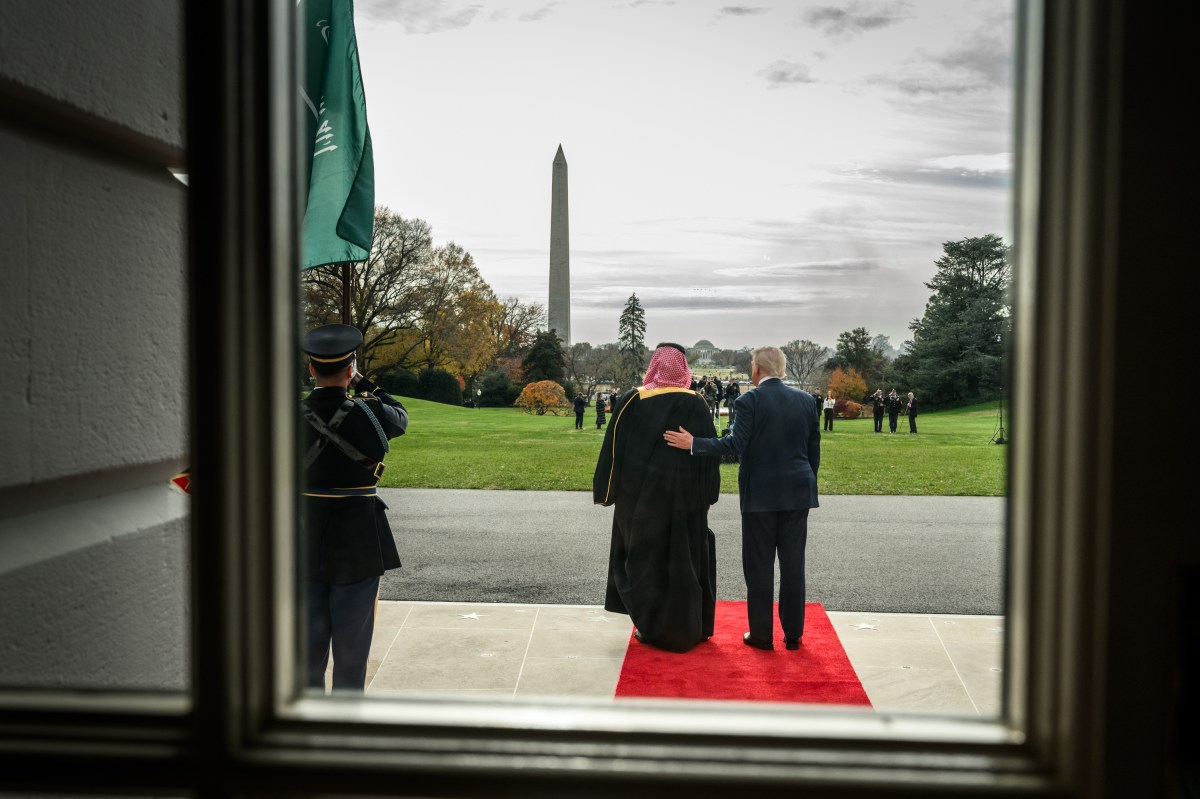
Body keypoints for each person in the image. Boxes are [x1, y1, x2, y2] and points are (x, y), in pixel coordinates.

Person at [664, 346, 820, 652]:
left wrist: (694, 443)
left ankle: (761, 634)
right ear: (782, 369)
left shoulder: (750, 400)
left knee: (760, 565)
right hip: (797, 490)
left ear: (757, 370)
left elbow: (734, 444)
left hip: (760, 492)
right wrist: (805, 481)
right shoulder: (805, 401)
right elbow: (812, 451)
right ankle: (793, 634)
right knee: (793, 566)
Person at [301, 323, 408, 691]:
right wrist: (365, 385)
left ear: (311, 369)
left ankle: (307, 713)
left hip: (302, 532)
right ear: (350, 369)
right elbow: (402, 416)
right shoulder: (375, 412)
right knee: (353, 642)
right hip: (359, 536)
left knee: (305, 642)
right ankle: (346, 714)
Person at [594, 344, 721, 652]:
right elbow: (711, 456)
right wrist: (707, 496)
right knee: (685, 561)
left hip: (641, 501)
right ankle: (692, 627)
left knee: (644, 562)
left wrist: (607, 492)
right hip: (686, 500)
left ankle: (652, 627)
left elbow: (614, 450)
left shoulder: (633, 400)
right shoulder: (697, 404)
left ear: (654, 366)